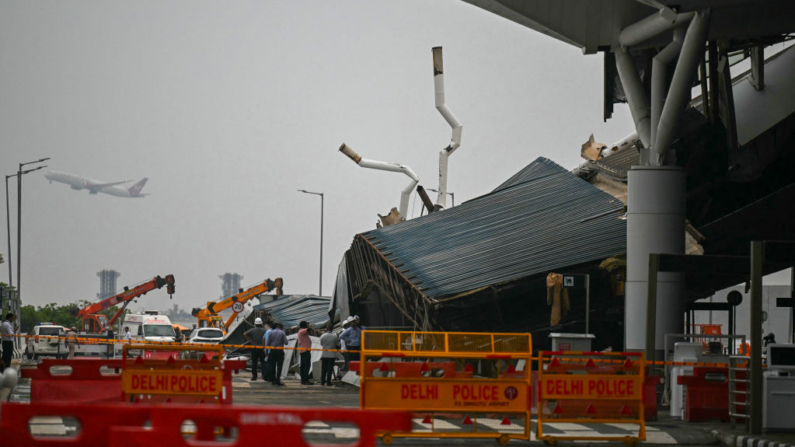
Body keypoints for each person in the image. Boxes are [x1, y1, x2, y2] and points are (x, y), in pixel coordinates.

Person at [297, 321, 314, 385]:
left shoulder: (301, 332)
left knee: (303, 366)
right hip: (305, 351)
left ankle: (303, 379)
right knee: (307, 365)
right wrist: (310, 326)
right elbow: (308, 329)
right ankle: (305, 379)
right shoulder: (302, 331)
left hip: (303, 351)